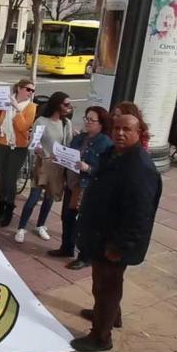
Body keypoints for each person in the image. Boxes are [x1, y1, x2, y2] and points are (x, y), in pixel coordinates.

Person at [70, 114, 162, 352]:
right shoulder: (115, 154)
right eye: (117, 128)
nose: (120, 133)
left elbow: (139, 215)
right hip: (101, 235)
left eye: (127, 129)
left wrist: (118, 247)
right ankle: (110, 316)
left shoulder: (139, 167)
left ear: (138, 132)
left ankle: (101, 337)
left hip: (113, 243)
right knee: (105, 285)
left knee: (106, 287)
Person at [51, 106, 114, 269]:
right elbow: (68, 155)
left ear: (101, 124)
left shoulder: (106, 143)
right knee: (67, 217)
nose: (87, 122)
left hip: (87, 187)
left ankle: (84, 256)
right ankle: (66, 247)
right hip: (72, 184)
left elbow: (106, 170)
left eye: (91, 120)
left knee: (84, 223)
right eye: (86, 118)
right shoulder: (80, 138)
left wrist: (88, 168)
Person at [14, 92, 74, 243]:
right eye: (65, 104)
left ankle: (41, 225)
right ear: (56, 104)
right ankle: (21, 228)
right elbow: (34, 142)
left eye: (69, 104)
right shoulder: (41, 121)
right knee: (33, 198)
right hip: (42, 164)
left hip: (58, 166)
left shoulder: (66, 123)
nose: (68, 107)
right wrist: (39, 149)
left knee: (49, 198)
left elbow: (68, 145)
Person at [0, 79, 38, 227]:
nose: (30, 93)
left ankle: (9, 209)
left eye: (33, 91)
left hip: (19, 147)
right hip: (1, 144)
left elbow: (23, 127)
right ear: (19, 88)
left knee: (11, 179)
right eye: (28, 89)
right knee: (1, 178)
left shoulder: (31, 107)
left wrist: (17, 110)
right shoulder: (5, 102)